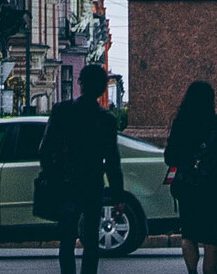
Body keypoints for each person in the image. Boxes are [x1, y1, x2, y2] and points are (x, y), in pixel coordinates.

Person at [37, 62, 124, 274]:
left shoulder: (62, 111)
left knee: (66, 239)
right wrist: (117, 196)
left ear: (81, 84)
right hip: (92, 185)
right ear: (102, 89)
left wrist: (52, 174)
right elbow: (112, 161)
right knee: (91, 241)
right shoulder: (107, 120)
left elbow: (45, 150)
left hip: (65, 184)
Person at [164, 80, 217, 274]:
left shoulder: (181, 123)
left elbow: (170, 157)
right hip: (214, 186)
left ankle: (192, 272)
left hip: (188, 185)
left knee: (188, 235)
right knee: (211, 242)